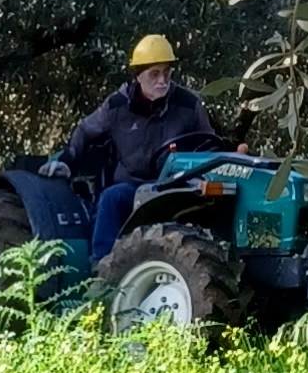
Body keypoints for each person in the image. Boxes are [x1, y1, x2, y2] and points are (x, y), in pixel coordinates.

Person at [65, 35, 225, 267]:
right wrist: (67, 161)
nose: (162, 80)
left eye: (167, 73)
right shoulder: (116, 106)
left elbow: (209, 144)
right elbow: (86, 130)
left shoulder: (189, 104)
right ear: (138, 75)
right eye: (154, 74)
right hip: (133, 186)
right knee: (111, 197)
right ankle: (102, 268)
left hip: (178, 186)